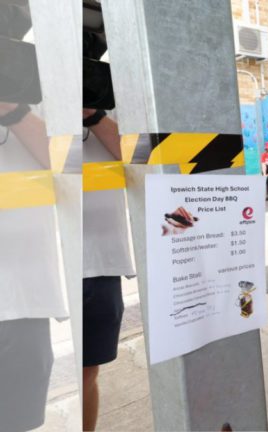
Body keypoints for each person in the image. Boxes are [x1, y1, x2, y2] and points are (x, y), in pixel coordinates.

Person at [0, 101, 68, 432]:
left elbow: (70, 166)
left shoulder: (34, 97)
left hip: (22, 302)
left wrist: (13, 111)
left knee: (16, 422)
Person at [81, 109, 136, 431]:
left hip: (99, 260)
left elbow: (144, 161)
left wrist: (93, 114)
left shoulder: (106, 95)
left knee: (87, 371)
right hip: (32, 260)